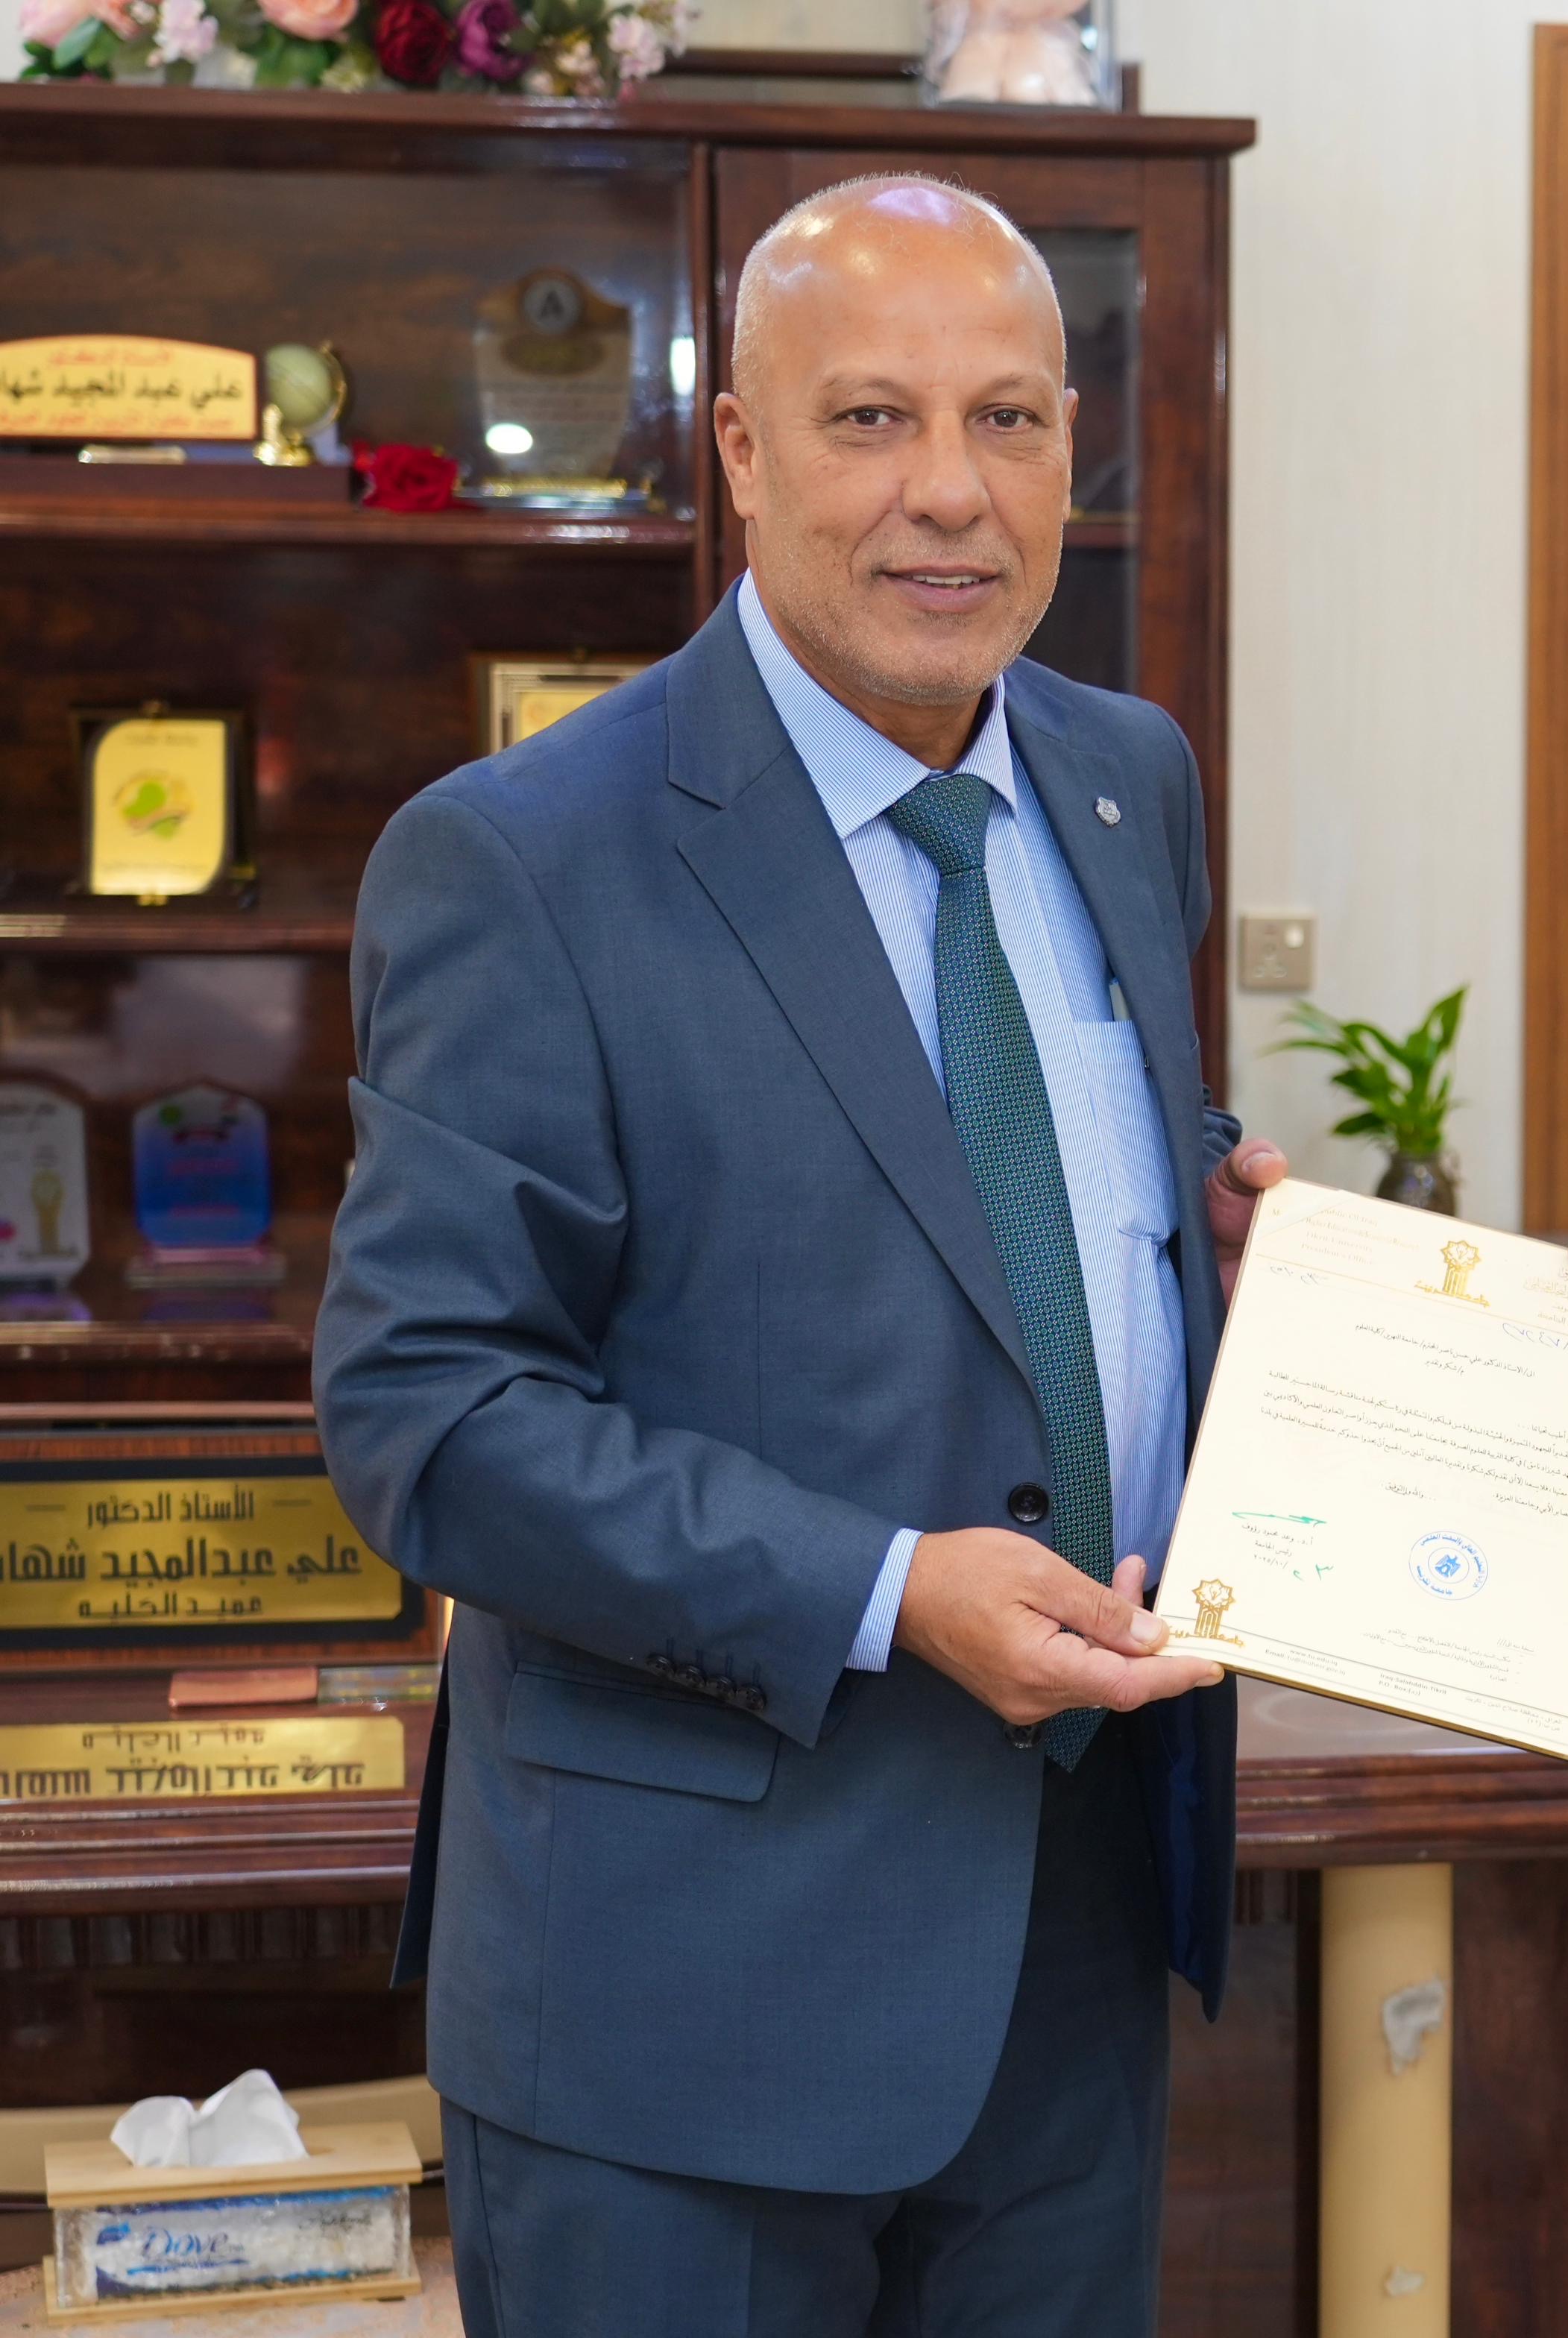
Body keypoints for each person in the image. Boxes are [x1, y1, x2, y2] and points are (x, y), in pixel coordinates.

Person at [315, 175, 1287, 2334]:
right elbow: (430, 1416)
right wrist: (887, 1589)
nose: (952, 491)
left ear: (1072, 446)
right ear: (742, 454)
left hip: (1073, 1935)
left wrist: (1232, 1223)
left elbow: (1005, 1173)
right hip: (682, 2002)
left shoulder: (1125, 777)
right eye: (871, 419)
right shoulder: (523, 857)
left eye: (1010, 419)